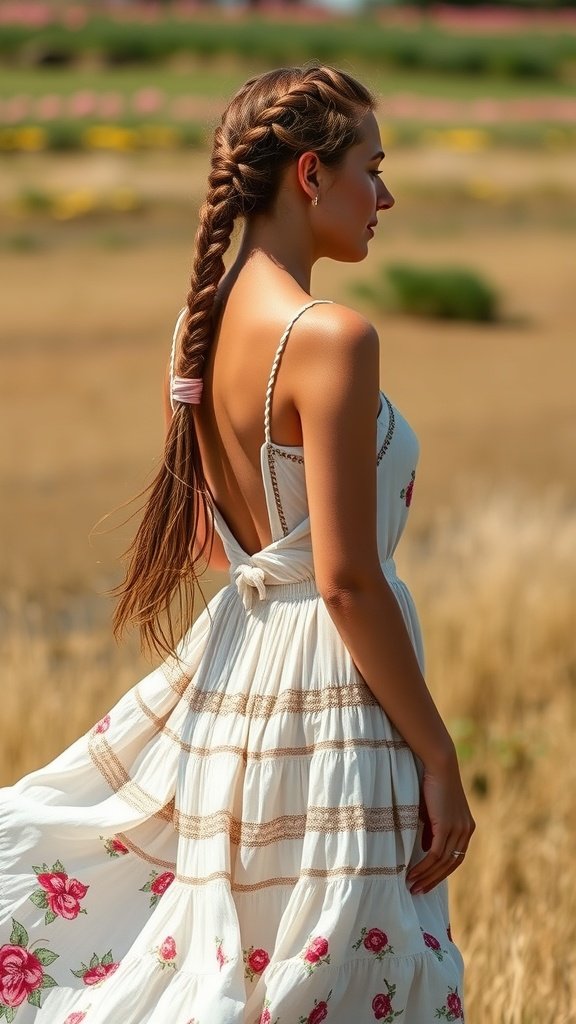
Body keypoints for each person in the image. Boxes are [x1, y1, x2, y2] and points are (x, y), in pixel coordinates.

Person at [0, 64, 475, 1023]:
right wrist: (440, 755)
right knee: (339, 965)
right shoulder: (332, 338)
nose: (384, 196)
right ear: (311, 174)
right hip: (332, 691)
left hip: (241, 673)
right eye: (371, 169)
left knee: (257, 958)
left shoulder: (200, 326)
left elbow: (226, 546)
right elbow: (344, 581)